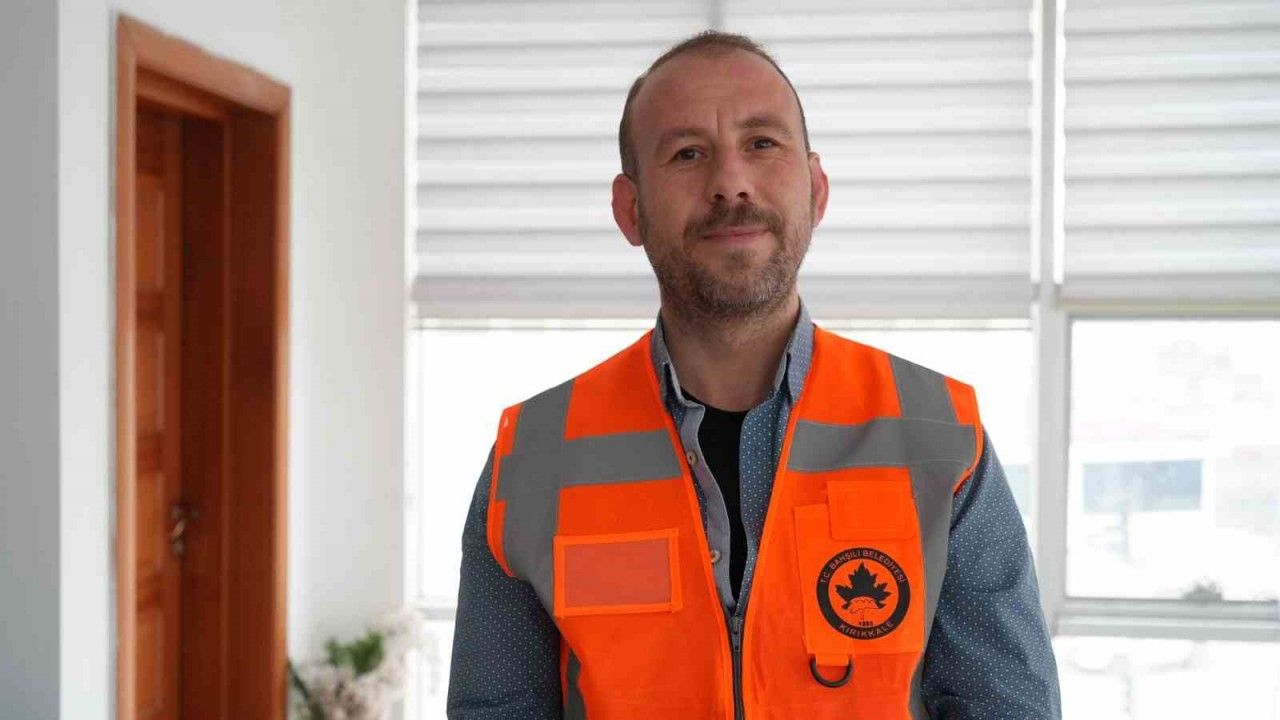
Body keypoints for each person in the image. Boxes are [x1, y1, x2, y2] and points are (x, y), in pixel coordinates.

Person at [447, 31, 1061, 719]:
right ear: (630, 210)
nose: (730, 182)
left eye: (763, 143)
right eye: (687, 153)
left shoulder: (940, 437)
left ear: (816, 189)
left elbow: (1008, 706)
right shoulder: (532, 460)